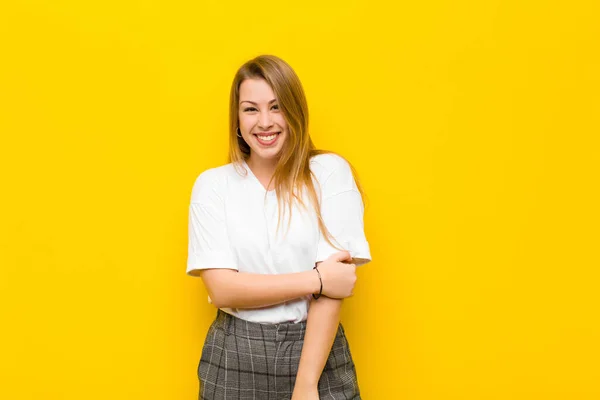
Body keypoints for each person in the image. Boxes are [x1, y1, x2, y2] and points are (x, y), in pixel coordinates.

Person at [187, 54, 372, 400]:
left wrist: (306, 384)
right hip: (234, 353)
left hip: (317, 349)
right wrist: (317, 280)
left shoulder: (329, 173)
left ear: (294, 111)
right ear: (237, 119)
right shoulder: (213, 185)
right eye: (251, 109)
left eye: (276, 107)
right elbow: (222, 290)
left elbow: (334, 294)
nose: (265, 122)